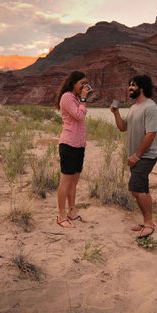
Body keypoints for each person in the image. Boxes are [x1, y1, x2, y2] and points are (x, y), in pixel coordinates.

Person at [110, 74, 157, 238]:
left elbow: (151, 134)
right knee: (143, 189)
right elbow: (123, 127)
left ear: (142, 87)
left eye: (133, 85)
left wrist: (137, 156)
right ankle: (147, 221)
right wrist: (116, 113)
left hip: (145, 156)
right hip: (136, 156)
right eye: (129, 85)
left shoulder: (150, 107)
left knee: (136, 189)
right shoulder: (133, 107)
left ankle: (149, 224)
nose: (129, 88)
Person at [55, 71, 92, 228]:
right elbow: (79, 116)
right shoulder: (67, 97)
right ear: (73, 83)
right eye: (82, 83)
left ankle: (72, 211)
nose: (84, 86)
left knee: (74, 182)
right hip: (69, 144)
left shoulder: (76, 99)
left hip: (78, 145)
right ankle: (61, 215)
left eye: (86, 83)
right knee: (65, 182)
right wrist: (83, 99)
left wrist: (82, 99)